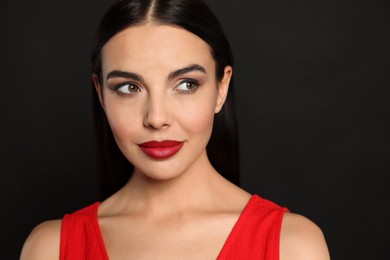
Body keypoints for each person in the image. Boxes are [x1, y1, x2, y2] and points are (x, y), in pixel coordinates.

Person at [20, 0, 330, 259]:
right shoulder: (50, 249)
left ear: (222, 88)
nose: (156, 118)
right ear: (100, 93)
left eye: (185, 84)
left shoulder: (292, 246)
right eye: (129, 87)